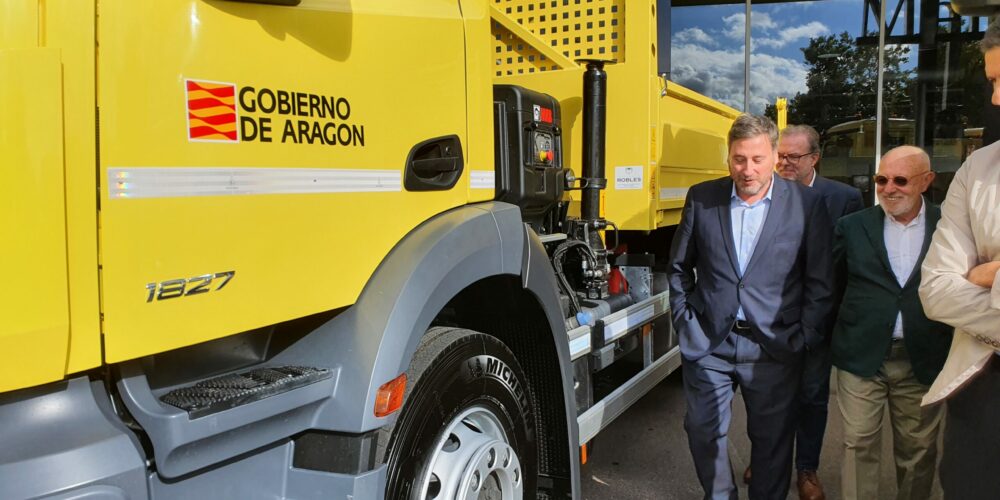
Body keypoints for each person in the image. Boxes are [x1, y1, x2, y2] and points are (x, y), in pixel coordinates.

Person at [668, 114, 834, 500]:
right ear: (728, 157)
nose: (747, 170)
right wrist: (684, 319)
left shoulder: (807, 204)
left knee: (773, 442)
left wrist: (803, 336)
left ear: (775, 156)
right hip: (710, 341)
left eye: (757, 159)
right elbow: (679, 268)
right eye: (739, 159)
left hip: (775, 345)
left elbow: (821, 280)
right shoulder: (702, 198)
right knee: (703, 430)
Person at [831, 145, 951, 500]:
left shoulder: (949, 226)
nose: (889, 188)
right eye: (881, 179)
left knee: (918, 450)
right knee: (857, 443)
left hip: (922, 356)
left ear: (926, 181)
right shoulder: (852, 227)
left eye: (900, 180)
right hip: (861, 354)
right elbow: (833, 285)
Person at [918, 20, 1000, 500]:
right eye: (992, 82)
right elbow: (936, 292)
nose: (996, 98)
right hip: (983, 390)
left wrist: (987, 275)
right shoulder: (978, 169)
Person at [773, 124, 864, 500]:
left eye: (793, 156)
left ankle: (806, 468)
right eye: (780, 155)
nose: (784, 163)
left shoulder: (844, 199)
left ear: (814, 159)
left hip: (818, 319)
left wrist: (828, 318)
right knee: (768, 395)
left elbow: (847, 265)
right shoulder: (761, 192)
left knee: (811, 396)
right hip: (770, 319)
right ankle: (770, 460)